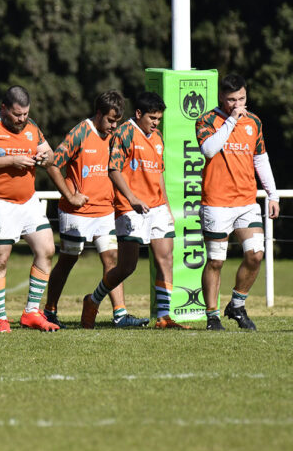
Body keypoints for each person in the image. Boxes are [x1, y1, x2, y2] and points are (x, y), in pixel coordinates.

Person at [80, 92, 187, 329]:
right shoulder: (125, 133)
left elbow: (158, 174)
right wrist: (132, 198)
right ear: (138, 114)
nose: (156, 123)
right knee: (127, 267)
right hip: (130, 208)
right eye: (152, 118)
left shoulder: (157, 138)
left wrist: (166, 206)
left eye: (158, 119)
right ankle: (93, 300)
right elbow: (113, 170)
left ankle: (164, 317)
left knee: (166, 258)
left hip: (156, 207)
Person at [44, 91, 149, 328]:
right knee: (68, 260)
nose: (114, 126)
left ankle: (120, 314)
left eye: (117, 121)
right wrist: (70, 196)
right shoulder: (80, 133)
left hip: (105, 210)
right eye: (110, 120)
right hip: (76, 212)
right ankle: (49, 310)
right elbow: (52, 164)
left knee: (112, 260)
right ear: (99, 113)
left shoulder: (115, 137)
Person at [0, 85, 59, 333]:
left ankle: (31, 312)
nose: (22, 119)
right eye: (17, 114)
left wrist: (45, 158)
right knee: (0, 259)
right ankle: (1, 319)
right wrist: (11, 160)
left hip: (28, 201)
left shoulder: (32, 127)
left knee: (47, 249)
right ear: (4, 108)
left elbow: (50, 154)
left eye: (26, 114)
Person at [196, 74, 280, 331]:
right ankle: (212, 316)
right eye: (232, 99)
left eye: (241, 98)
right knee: (216, 260)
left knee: (255, 255)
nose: (238, 104)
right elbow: (209, 150)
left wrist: (273, 194)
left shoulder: (254, 122)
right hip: (216, 202)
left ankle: (236, 305)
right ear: (221, 97)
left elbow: (260, 159)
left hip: (246, 201)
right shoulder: (207, 120)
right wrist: (231, 120)